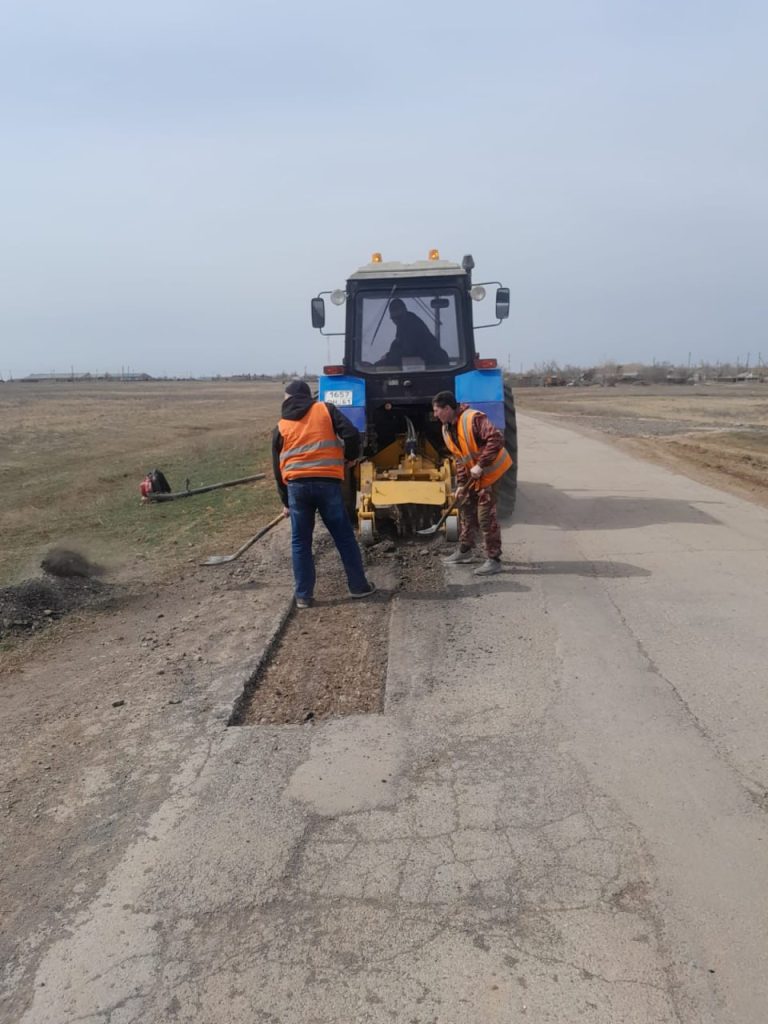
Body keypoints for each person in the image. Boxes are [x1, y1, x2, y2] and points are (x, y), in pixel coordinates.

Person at [272, 379, 376, 608]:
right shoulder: (325, 409)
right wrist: (350, 458)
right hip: (327, 483)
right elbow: (350, 433)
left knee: (300, 542)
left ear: (288, 397)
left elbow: (277, 469)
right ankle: (358, 587)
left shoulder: (281, 425)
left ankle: (303, 596)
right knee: (344, 537)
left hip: (297, 489)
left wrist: (285, 500)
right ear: (308, 395)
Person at [432, 390, 514, 576]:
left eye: (437, 410)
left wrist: (480, 465)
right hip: (474, 476)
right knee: (466, 509)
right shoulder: (447, 428)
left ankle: (494, 559)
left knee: (485, 516)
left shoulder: (473, 418)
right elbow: (460, 459)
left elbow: (496, 438)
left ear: (447, 408)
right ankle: (465, 551)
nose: (435, 414)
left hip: (491, 473)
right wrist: (461, 484)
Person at [375, 298, 450, 367]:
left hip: (435, 366)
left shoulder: (413, 325)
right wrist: (388, 357)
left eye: (398, 317)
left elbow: (408, 351)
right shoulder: (404, 325)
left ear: (404, 311)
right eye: (393, 318)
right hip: (427, 364)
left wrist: (385, 361)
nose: (395, 321)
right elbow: (399, 347)